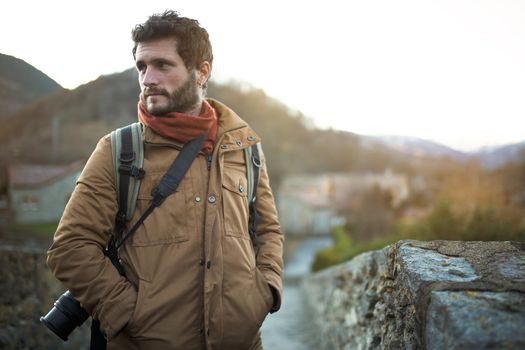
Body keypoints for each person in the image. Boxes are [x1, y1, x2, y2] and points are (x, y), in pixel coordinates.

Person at [47, 10, 284, 350]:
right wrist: (128, 311)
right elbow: (70, 248)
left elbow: (267, 229)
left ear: (201, 72)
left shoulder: (245, 148)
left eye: (162, 65)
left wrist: (265, 291)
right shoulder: (117, 151)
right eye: (142, 67)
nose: (147, 79)